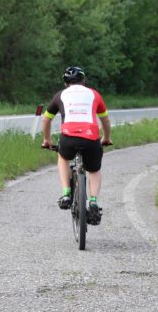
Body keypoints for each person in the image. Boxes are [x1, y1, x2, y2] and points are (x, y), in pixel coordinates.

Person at [41, 66, 112, 225]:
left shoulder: (60, 95)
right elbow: (105, 120)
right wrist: (106, 138)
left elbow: (46, 119)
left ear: (66, 83)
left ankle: (66, 193)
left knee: (63, 157)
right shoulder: (94, 94)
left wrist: (47, 140)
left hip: (68, 137)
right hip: (91, 137)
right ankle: (93, 201)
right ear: (84, 81)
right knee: (94, 169)